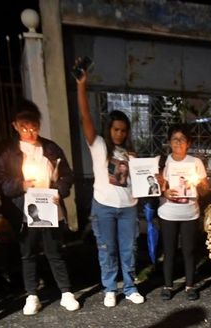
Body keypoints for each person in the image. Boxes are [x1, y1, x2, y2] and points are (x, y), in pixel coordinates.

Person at [0, 100, 79, 315]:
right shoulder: (8, 151)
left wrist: (59, 190)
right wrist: (20, 185)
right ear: (15, 125)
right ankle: (32, 295)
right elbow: (1, 182)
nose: (30, 132)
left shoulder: (50, 148)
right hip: (25, 212)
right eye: (24, 127)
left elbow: (67, 175)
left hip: (51, 209)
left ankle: (66, 292)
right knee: (28, 253)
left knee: (55, 251)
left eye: (34, 127)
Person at [76, 70, 144, 306]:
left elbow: (142, 180)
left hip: (128, 208)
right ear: (109, 129)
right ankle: (109, 289)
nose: (120, 133)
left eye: (124, 130)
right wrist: (81, 86)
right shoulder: (99, 145)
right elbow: (85, 116)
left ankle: (130, 287)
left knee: (129, 249)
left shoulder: (130, 152)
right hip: (104, 206)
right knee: (107, 249)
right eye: (116, 129)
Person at [155, 124, 208, 301]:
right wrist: (165, 192)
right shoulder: (162, 162)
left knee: (189, 250)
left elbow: (204, 190)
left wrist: (200, 184)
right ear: (169, 142)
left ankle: (190, 285)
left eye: (182, 139)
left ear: (189, 143)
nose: (178, 142)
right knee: (169, 250)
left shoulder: (195, 163)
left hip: (190, 213)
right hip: (168, 212)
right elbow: (155, 188)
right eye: (174, 139)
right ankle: (168, 285)